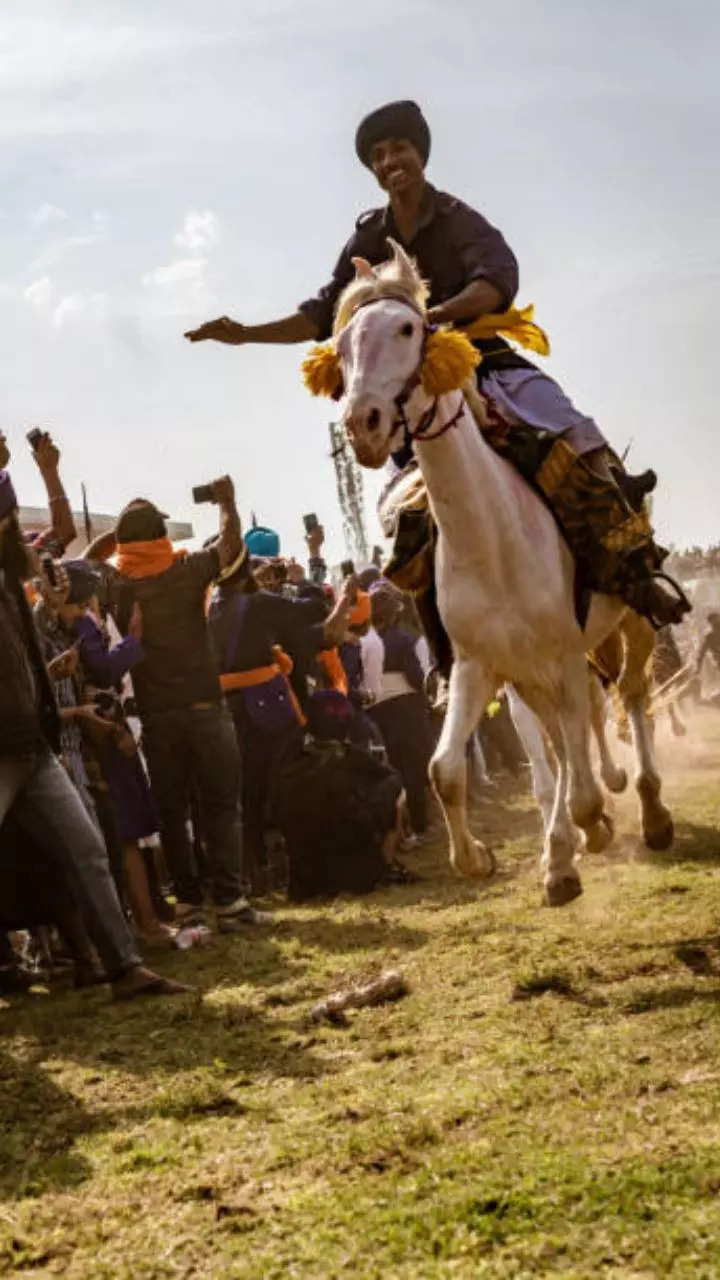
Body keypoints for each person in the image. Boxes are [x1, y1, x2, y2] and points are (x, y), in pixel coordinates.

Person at [185, 98, 690, 663]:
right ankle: (450, 655)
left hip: (483, 364)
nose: (389, 160)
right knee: (408, 522)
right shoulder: (366, 241)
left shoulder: (457, 218)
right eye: (378, 155)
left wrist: (435, 319)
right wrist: (246, 333)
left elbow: (497, 280)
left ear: (419, 153)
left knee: (580, 438)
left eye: (398, 148)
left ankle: (640, 575)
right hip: (413, 401)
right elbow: (325, 312)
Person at [0, 454, 188, 999]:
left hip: (33, 748)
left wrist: (47, 471)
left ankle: (124, 968)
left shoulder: (15, 579)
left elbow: (57, 535)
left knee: (87, 850)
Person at [87, 481, 266, 931]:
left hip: (156, 719)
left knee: (173, 812)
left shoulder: (114, 584)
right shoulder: (186, 572)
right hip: (206, 708)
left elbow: (87, 562)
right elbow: (229, 545)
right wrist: (226, 501)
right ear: (161, 536)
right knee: (222, 807)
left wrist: (119, 535)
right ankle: (229, 903)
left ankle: (188, 903)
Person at [208, 550, 359, 891]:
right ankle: (288, 869)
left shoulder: (210, 607)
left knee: (244, 798)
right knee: (284, 792)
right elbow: (322, 619)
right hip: (267, 715)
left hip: (225, 714)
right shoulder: (261, 606)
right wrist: (311, 585)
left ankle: (254, 874)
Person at [367, 583, 433, 837]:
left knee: (392, 769)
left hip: (376, 710)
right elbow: (417, 677)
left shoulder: (365, 640)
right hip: (407, 709)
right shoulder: (403, 640)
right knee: (414, 768)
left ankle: (398, 829)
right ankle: (419, 824)